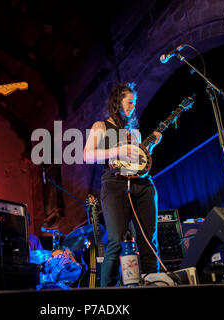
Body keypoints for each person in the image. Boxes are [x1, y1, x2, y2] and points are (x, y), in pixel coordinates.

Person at [83, 82, 162, 286]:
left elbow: (138, 161)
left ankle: (153, 283)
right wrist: (116, 151)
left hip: (142, 183)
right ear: (118, 102)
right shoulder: (101, 126)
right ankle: (108, 292)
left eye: (135, 103)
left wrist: (149, 147)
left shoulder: (132, 131)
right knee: (116, 241)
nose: (133, 107)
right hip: (114, 184)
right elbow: (87, 155)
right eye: (129, 102)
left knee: (148, 241)